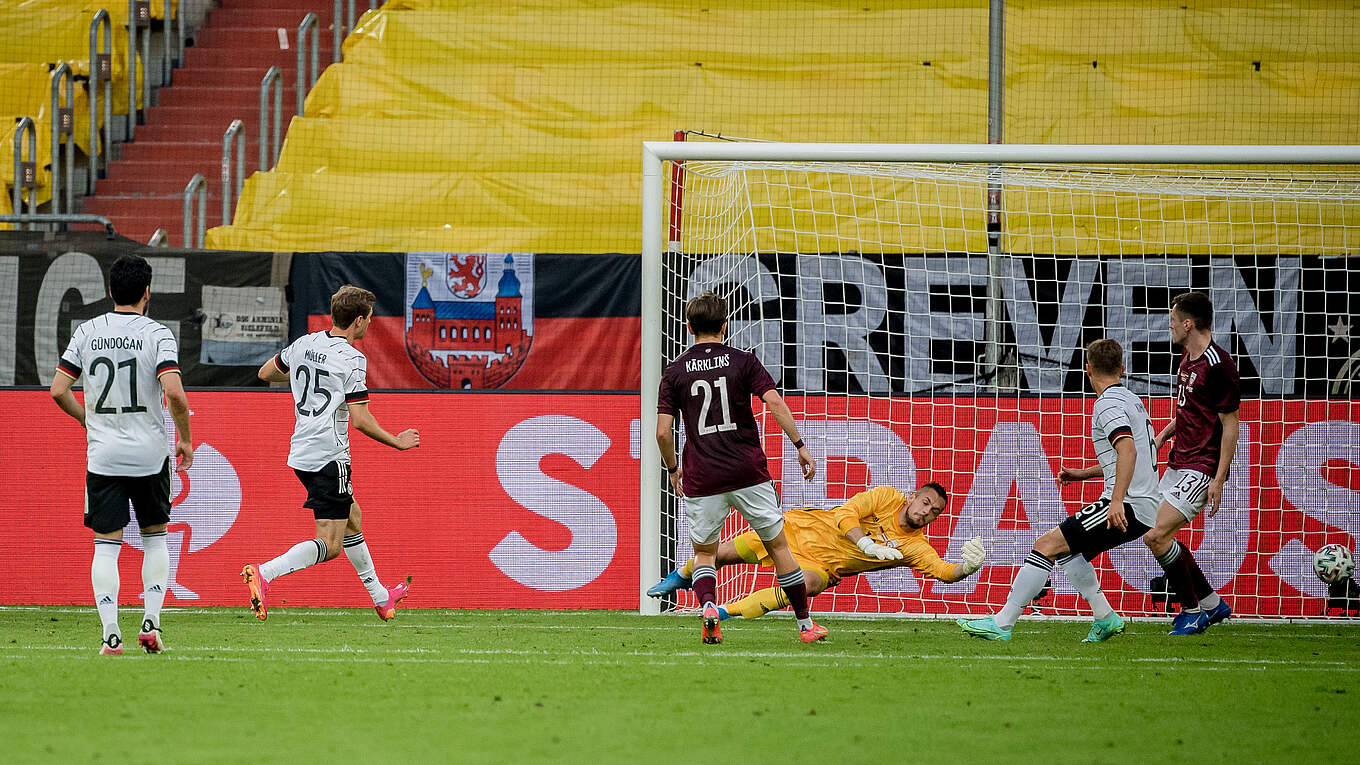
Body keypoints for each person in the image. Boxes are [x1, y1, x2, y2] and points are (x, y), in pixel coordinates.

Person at [958, 338, 1161, 642]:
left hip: (1128, 504)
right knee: (1068, 553)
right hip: (1142, 503)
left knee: (1046, 545)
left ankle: (1002, 623)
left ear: (1087, 369)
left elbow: (1128, 452)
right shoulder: (1132, 400)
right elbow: (1135, 456)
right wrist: (1083, 474)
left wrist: (1117, 500)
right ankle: (1105, 617)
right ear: (1122, 369)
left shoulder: (1107, 404)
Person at [241, 285, 419, 622]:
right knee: (331, 545)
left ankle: (381, 597)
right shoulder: (352, 359)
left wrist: (304, 379)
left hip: (302, 452)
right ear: (357, 321)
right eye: (369, 318)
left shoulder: (305, 343)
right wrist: (397, 441)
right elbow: (361, 420)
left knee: (353, 518)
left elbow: (265, 373)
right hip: (329, 457)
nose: (370, 323)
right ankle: (265, 573)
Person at [656, 291, 824, 644]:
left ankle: (708, 607)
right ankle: (806, 625)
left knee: (705, 553)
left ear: (688, 327)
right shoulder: (744, 361)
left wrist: (673, 469)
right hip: (748, 472)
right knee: (779, 548)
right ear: (725, 325)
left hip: (703, 475)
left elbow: (662, 432)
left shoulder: (674, 372)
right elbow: (773, 401)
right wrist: (800, 445)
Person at [50, 255, 193, 655]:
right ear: (147, 292)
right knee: (155, 538)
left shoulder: (87, 331)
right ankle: (151, 622)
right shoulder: (158, 334)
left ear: (110, 290)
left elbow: (58, 389)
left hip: (104, 457)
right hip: (150, 455)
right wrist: (185, 438)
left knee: (105, 546)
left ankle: (110, 634)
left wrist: (88, 419)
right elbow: (175, 393)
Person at [648, 483, 986, 621]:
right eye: (925, 502)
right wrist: (865, 544)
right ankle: (681, 576)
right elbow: (846, 514)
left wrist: (966, 568)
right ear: (912, 496)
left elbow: (942, 571)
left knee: (805, 585)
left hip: (824, 565)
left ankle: (722, 613)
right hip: (797, 531)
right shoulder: (886, 497)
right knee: (722, 555)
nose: (926, 512)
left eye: (934, 512)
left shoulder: (914, 546)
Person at [1142, 291, 1239, 635]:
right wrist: (1162, 436)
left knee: (1156, 534)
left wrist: (1218, 478)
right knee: (1152, 533)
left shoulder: (1219, 365)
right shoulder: (1187, 358)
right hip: (1177, 461)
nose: (1169, 326)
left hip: (1201, 466)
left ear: (1187, 324)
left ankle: (1192, 609)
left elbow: (1230, 425)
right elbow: (1190, 411)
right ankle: (1211, 603)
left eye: (1172, 320)